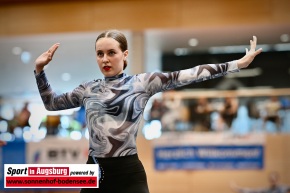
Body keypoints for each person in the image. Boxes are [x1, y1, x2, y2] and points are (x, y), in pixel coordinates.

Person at [34, 29, 262, 193]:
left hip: (129, 173)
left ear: (125, 55)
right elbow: (51, 104)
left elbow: (189, 73)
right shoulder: (88, 88)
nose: (105, 59)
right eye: (99, 53)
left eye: (111, 52)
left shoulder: (142, 83)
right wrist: (39, 70)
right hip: (95, 173)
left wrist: (236, 65)